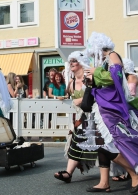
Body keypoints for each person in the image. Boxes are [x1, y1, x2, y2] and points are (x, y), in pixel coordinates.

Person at [78, 32, 138, 193]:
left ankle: (134, 173)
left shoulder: (113, 56)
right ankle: (104, 182)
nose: (92, 55)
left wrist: (96, 73)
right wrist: (92, 79)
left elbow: (117, 76)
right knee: (102, 145)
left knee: (111, 144)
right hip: (104, 107)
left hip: (112, 108)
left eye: (93, 51)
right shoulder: (104, 61)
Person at [54, 50, 97, 183]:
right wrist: (70, 99)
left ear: (81, 62)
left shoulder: (90, 76)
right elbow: (71, 98)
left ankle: (122, 171)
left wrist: (83, 100)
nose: (71, 63)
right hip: (82, 117)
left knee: (106, 145)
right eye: (70, 61)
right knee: (76, 141)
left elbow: (99, 94)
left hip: (97, 115)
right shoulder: (71, 83)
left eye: (74, 61)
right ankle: (68, 173)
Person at [110, 58, 138, 182]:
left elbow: (130, 95)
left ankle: (134, 170)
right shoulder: (124, 78)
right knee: (125, 141)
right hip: (126, 110)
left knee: (131, 141)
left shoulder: (132, 77)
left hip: (133, 110)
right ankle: (128, 171)